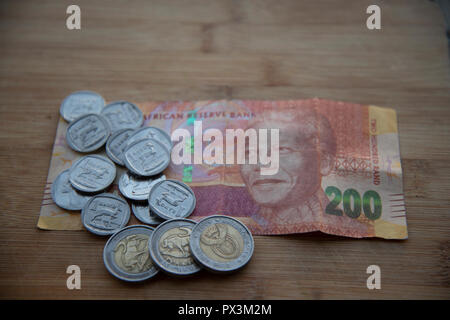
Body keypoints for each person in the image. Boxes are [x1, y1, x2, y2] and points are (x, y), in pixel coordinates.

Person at [240, 106, 369, 236]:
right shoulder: (240, 226)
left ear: (323, 163)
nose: (261, 164)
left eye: (281, 150)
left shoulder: (352, 229)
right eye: (249, 152)